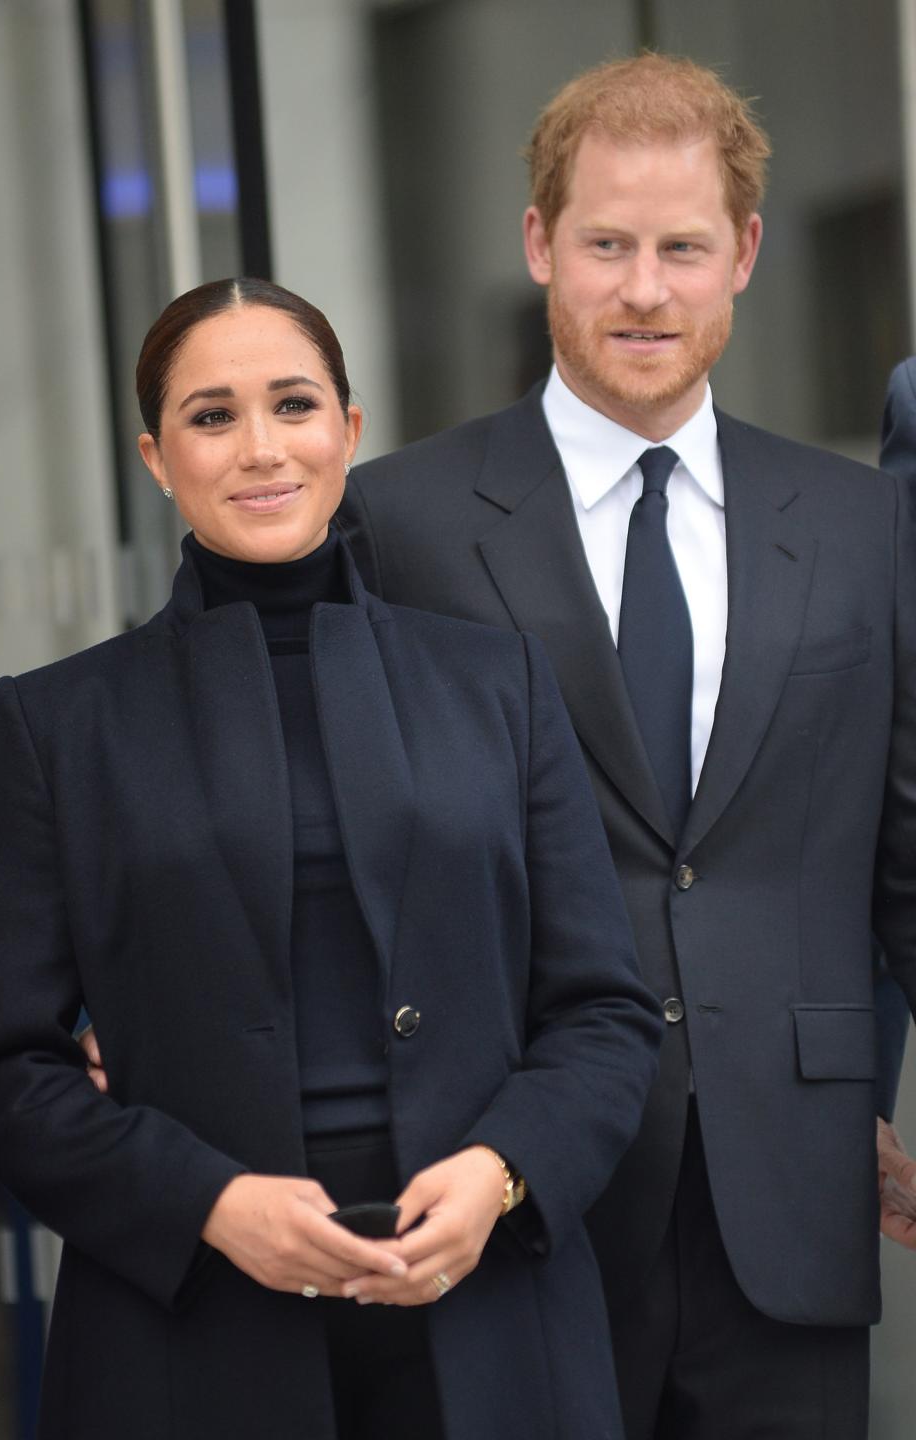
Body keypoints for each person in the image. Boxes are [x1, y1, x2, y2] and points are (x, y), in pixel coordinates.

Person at [0, 278, 662, 1440]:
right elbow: (0, 1068)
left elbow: (601, 1010)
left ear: (350, 428)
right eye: (212, 416)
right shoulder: (58, 723)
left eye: (293, 405)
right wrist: (209, 1204)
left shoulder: (500, 685)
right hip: (187, 1331)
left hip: (486, 1309)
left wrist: (502, 1173)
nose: (261, 450)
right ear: (154, 455)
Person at [339, 53, 916, 1440]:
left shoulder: (861, 526)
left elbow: (902, 850)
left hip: (790, 1186)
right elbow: (333, 841)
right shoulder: (396, 523)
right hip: (512, 1186)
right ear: (540, 242)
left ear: (746, 255)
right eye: (606, 244)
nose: (644, 289)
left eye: (682, 248)